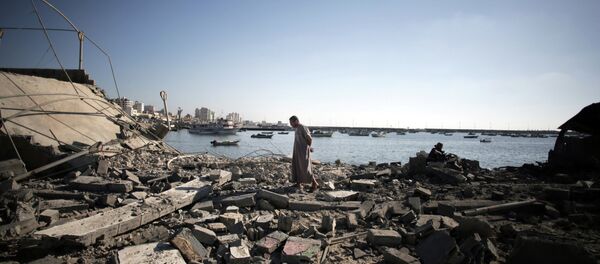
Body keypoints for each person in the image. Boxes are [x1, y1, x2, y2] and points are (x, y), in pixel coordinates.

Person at [289, 115, 318, 191]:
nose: (291, 125)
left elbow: (309, 138)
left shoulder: (302, 127)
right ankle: (298, 183)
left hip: (303, 152)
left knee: (305, 168)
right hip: (297, 151)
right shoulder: (297, 129)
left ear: (296, 121)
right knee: (297, 166)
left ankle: (314, 183)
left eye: (291, 123)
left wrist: (308, 147)